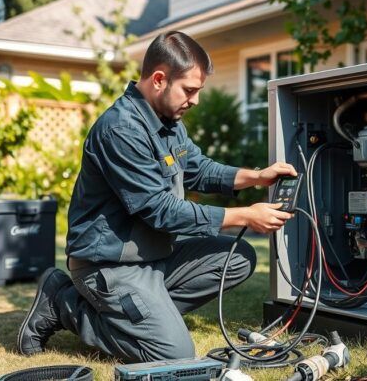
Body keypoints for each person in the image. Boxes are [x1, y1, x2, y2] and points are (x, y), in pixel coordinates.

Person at [17, 31, 297, 363]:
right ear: (159, 79)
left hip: (154, 257)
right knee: (173, 352)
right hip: (110, 265)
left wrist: (257, 176)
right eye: (190, 90)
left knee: (237, 259)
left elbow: (198, 168)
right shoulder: (120, 130)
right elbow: (159, 210)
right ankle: (63, 304)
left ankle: (145, 315)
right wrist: (244, 216)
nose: (195, 100)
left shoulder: (169, 122)